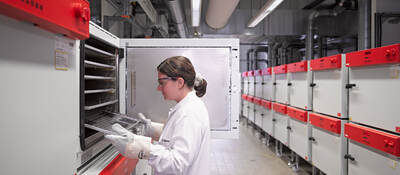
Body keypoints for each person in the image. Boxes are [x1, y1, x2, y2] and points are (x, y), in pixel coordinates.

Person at [105, 56, 210, 175]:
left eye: (162, 83)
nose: (158, 88)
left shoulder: (190, 113)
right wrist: (151, 129)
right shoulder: (188, 107)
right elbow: (179, 134)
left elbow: (176, 164)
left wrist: (142, 148)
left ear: (180, 82)